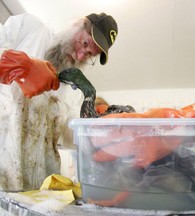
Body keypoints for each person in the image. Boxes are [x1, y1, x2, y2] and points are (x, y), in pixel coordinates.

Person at [0, 12, 118, 191]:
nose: (80, 56)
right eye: (84, 43)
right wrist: (21, 66)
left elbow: (72, 136)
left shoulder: (75, 92)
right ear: (79, 24)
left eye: (89, 55)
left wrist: (98, 131)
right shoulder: (31, 28)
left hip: (36, 185)